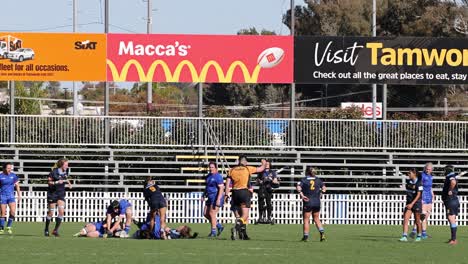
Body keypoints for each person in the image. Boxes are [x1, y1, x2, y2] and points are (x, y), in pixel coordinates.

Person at [225, 155, 266, 240]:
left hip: (235, 193)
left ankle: (243, 235)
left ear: (239, 161)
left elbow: (227, 184)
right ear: (245, 162)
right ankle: (236, 228)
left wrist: (226, 194)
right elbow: (261, 169)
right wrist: (264, 163)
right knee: (245, 216)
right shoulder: (247, 168)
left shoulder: (231, 170)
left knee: (238, 216)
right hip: (244, 192)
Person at [296, 167, 326, 242]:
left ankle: (305, 236)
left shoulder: (304, 180)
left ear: (307, 172)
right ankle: (322, 233)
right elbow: (324, 188)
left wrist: (302, 195)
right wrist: (321, 193)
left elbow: (298, 188)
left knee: (306, 220)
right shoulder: (318, 180)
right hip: (317, 202)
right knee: (316, 219)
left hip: (308, 201)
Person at [44, 158, 72, 237]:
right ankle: (46, 229)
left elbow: (65, 177)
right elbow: (49, 182)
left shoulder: (65, 171)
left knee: (61, 212)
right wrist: (56, 182)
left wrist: (69, 183)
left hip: (60, 194)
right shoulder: (53, 172)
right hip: (52, 194)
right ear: (61, 165)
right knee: (51, 213)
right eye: (66, 164)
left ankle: (55, 230)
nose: (67, 166)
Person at [410, 162, 434, 239]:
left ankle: (415, 231)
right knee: (422, 215)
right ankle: (422, 233)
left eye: (429, 169)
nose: (428, 170)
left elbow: (430, 187)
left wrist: (432, 194)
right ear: (425, 168)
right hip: (423, 197)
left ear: (431, 170)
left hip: (429, 198)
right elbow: (419, 186)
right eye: (427, 169)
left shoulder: (431, 176)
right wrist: (420, 197)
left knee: (426, 216)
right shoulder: (422, 176)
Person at [201, 162, 224, 237]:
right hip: (209, 197)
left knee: (212, 213)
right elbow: (207, 187)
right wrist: (203, 195)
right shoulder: (208, 176)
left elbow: (221, 188)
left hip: (215, 197)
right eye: (210, 167)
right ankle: (219, 226)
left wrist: (218, 199)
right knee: (205, 214)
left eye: (212, 167)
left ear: (216, 168)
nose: (211, 169)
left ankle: (213, 232)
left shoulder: (218, 177)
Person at [399, 168, 423, 242]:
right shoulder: (408, 182)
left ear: (414, 174)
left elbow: (418, 195)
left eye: (410, 173)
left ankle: (419, 235)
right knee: (405, 219)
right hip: (409, 204)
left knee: (417, 221)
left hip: (416, 204)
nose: (408, 174)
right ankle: (404, 236)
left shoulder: (419, 183)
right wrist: (409, 203)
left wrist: (412, 204)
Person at [133, 213, 198, 240]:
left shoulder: (176, 235)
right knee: (153, 219)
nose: (180, 226)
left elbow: (167, 237)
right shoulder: (175, 231)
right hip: (158, 231)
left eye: (181, 227)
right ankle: (140, 225)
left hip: (158, 233)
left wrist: (165, 233)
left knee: (157, 217)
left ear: (182, 230)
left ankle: (140, 225)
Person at [255, 160, 279, 224]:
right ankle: (260, 217)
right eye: (266, 164)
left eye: (268, 164)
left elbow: (276, 181)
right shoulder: (261, 172)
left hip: (269, 189)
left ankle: (269, 218)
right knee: (260, 203)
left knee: (268, 203)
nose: (267, 165)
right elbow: (257, 181)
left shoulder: (273, 172)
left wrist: (272, 180)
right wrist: (260, 181)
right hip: (262, 188)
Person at [0, 162, 21, 234]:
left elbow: (17, 185)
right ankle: (1, 228)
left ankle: (8, 227)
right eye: (8, 168)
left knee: (13, 212)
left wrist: (19, 195)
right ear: (4, 168)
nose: (9, 169)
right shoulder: (0, 176)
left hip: (11, 196)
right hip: (2, 196)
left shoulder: (13, 176)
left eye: (10, 168)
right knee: (3, 213)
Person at [442, 165, 459, 245]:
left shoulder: (450, 176)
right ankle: (453, 238)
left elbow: (453, 182)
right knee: (452, 219)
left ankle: (454, 239)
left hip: (450, 200)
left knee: (451, 218)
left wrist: (450, 190)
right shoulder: (452, 175)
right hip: (453, 200)